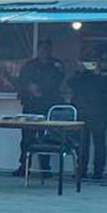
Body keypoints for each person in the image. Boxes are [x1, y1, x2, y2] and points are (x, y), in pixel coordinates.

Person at [15, 39, 65, 174]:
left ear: (51, 50)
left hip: (48, 107)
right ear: (38, 50)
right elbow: (21, 82)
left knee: (46, 138)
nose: (45, 52)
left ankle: (45, 168)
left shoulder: (56, 65)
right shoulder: (29, 65)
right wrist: (29, 88)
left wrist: (41, 90)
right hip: (30, 106)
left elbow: (58, 81)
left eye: (47, 49)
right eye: (42, 49)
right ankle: (24, 167)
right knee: (26, 138)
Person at [67, 57, 107, 181]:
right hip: (83, 112)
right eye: (88, 63)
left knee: (99, 143)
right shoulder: (81, 75)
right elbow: (70, 83)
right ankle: (81, 169)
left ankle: (98, 171)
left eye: (94, 63)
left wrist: (98, 74)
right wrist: (78, 70)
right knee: (82, 143)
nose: (91, 66)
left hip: (99, 112)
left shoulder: (105, 74)